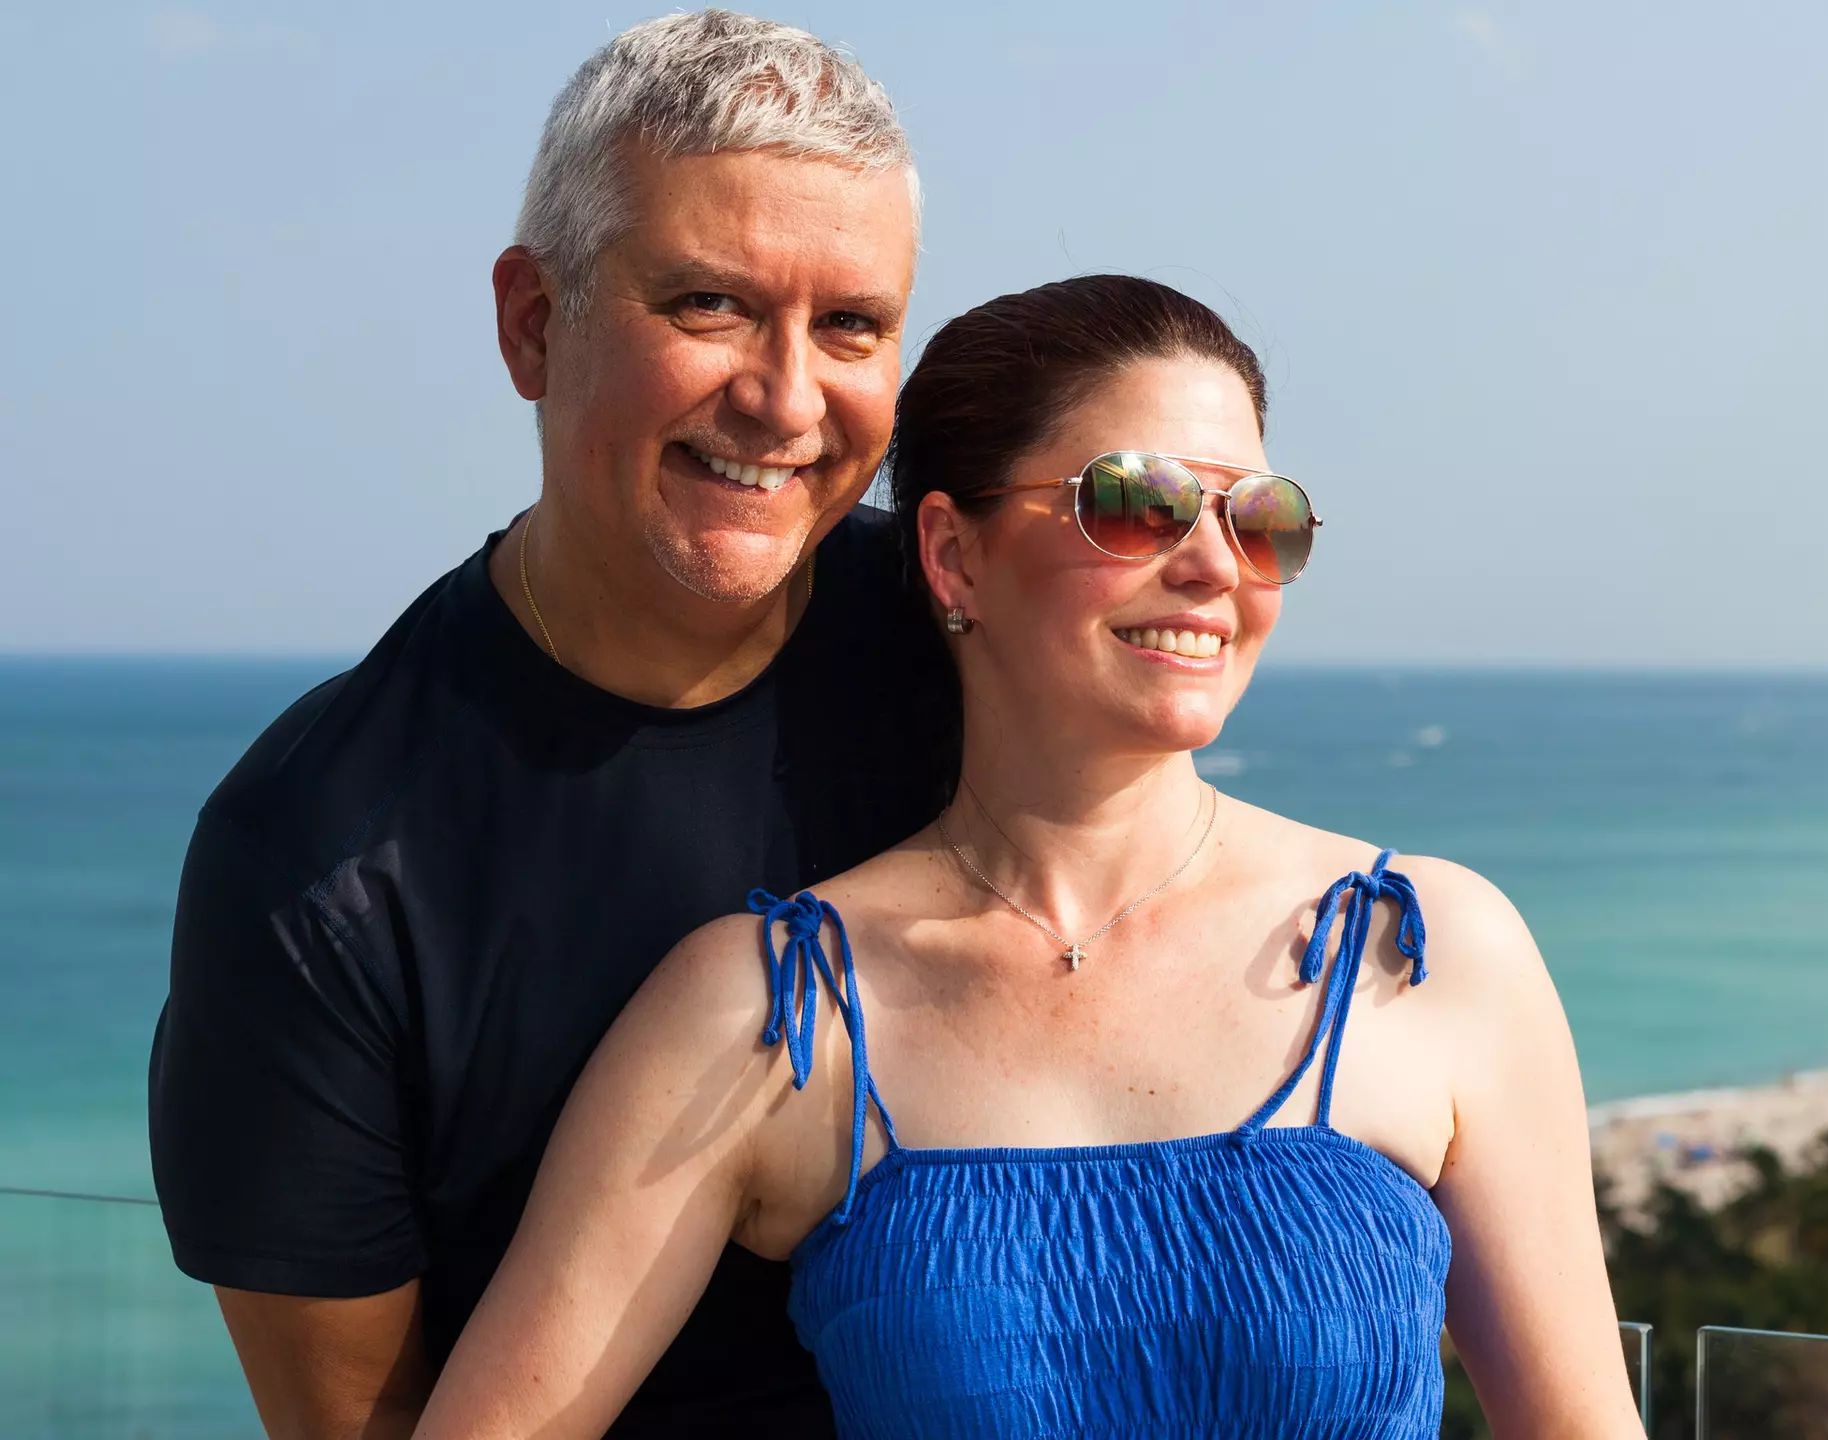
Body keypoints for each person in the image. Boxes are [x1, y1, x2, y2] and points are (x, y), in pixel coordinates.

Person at [410, 275, 1649, 1438]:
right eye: (1138, 502)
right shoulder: (776, 1007)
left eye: (1260, 518)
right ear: (954, 555)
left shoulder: (1420, 948)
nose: (1217, 564)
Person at [146, 12, 949, 1436]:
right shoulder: (315, 869)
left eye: (850, 327)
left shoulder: (976, 652)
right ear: (534, 321)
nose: (782, 397)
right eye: (707, 305)